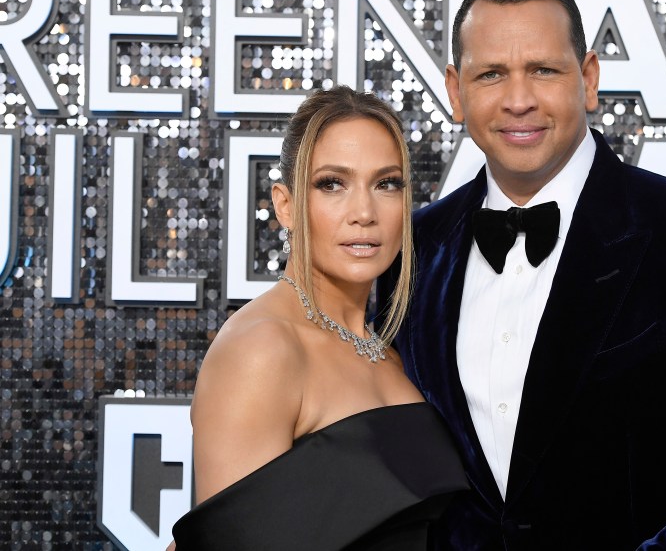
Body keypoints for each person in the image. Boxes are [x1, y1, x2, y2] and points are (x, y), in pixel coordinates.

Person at [380, 0, 666, 549]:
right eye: (491, 74)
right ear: (457, 92)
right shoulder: (411, 249)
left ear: (588, 79)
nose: (518, 99)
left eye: (543, 70)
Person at [172, 86, 468, 550]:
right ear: (285, 205)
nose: (364, 213)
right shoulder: (264, 350)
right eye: (332, 184)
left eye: (386, 183)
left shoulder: (390, 351)